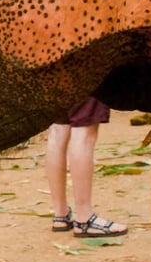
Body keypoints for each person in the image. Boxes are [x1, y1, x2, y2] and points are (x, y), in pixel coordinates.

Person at [46, 97, 124, 239]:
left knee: (58, 129)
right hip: (82, 76)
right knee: (85, 130)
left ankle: (60, 214)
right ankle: (84, 218)